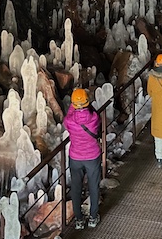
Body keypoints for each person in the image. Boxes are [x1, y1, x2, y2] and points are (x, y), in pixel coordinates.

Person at [63, 88, 101, 229]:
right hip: (92, 157)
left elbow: (67, 119)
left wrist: (74, 106)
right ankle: (93, 217)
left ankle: (78, 220)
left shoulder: (69, 121)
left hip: (76, 158)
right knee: (93, 187)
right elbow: (93, 114)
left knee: (76, 187)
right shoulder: (94, 118)